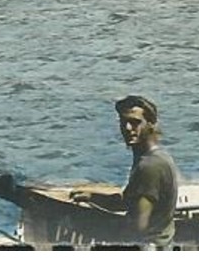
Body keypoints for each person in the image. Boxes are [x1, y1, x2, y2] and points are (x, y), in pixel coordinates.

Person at [71, 95, 181, 248]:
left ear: (151, 125)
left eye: (135, 122)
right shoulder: (159, 156)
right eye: (124, 122)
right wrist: (92, 197)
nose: (128, 128)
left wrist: (93, 225)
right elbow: (130, 202)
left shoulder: (149, 166)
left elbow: (138, 227)